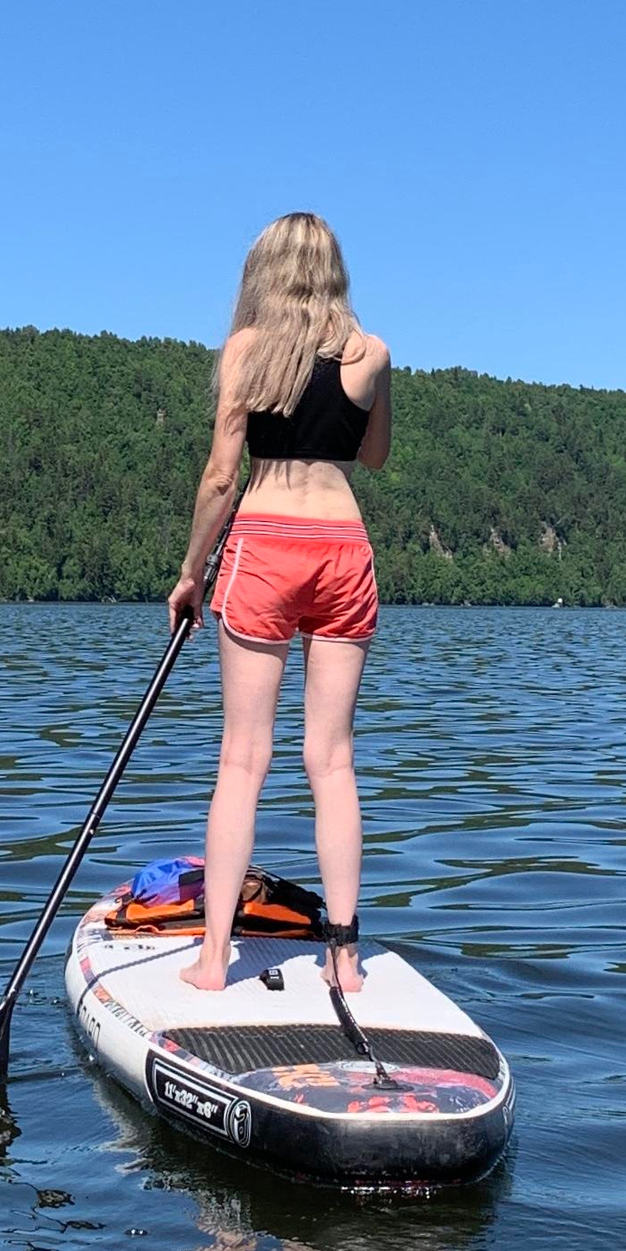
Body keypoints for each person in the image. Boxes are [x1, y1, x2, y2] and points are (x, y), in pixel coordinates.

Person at [166, 212, 391, 996]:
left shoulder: (247, 352)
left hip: (265, 542)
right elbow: (374, 454)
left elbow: (222, 477)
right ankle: (346, 960)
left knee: (242, 758)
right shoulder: (373, 354)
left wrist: (192, 572)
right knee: (332, 761)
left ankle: (212, 956)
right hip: (343, 546)